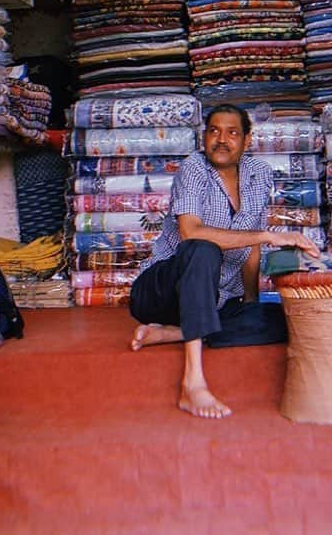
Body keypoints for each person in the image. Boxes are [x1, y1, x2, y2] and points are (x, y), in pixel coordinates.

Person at [129, 104, 320, 420]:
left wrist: (251, 305)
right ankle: (192, 383)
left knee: (290, 319)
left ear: (247, 142)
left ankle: (173, 333)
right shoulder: (194, 168)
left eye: (232, 133)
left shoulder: (259, 174)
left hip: (217, 300)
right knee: (203, 248)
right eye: (214, 131)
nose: (221, 139)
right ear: (204, 138)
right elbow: (191, 233)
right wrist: (267, 236)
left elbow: (251, 249)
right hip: (161, 292)